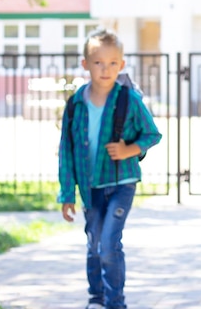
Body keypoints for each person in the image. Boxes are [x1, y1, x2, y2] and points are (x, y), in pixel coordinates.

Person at [58, 29, 162, 309]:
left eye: (112, 63)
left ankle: (115, 303)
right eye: (98, 62)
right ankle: (97, 298)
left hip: (120, 183)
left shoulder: (129, 100)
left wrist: (129, 149)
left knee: (108, 244)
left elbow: (152, 134)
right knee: (94, 245)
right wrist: (67, 193)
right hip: (89, 187)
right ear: (85, 64)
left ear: (122, 65)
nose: (105, 69)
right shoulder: (76, 104)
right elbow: (66, 152)